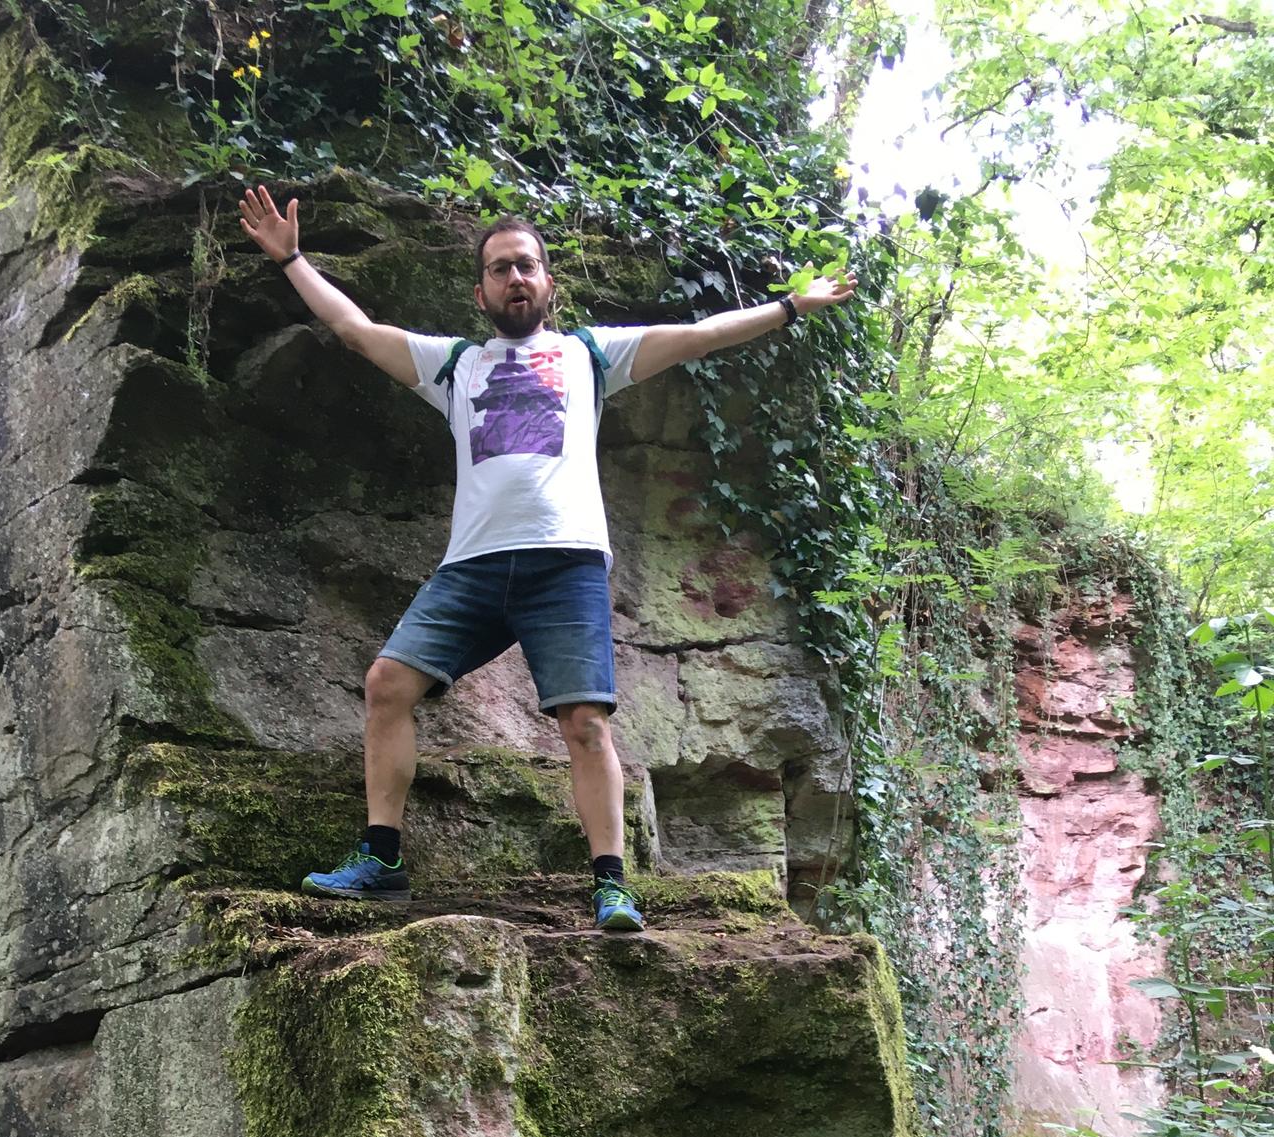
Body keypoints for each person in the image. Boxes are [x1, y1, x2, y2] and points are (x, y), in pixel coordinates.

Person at [238, 187, 857, 932]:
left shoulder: (588, 354)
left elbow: (699, 336)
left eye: (526, 265)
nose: (515, 278)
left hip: (565, 562)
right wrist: (293, 261)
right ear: (481, 292)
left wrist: (789, 307)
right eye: (500, 269)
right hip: (473, 566)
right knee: (387, 684)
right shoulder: (454, 366)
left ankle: (612, 886)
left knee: (585, 722)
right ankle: (382, 860)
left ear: (548, 282)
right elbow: (355, 329)